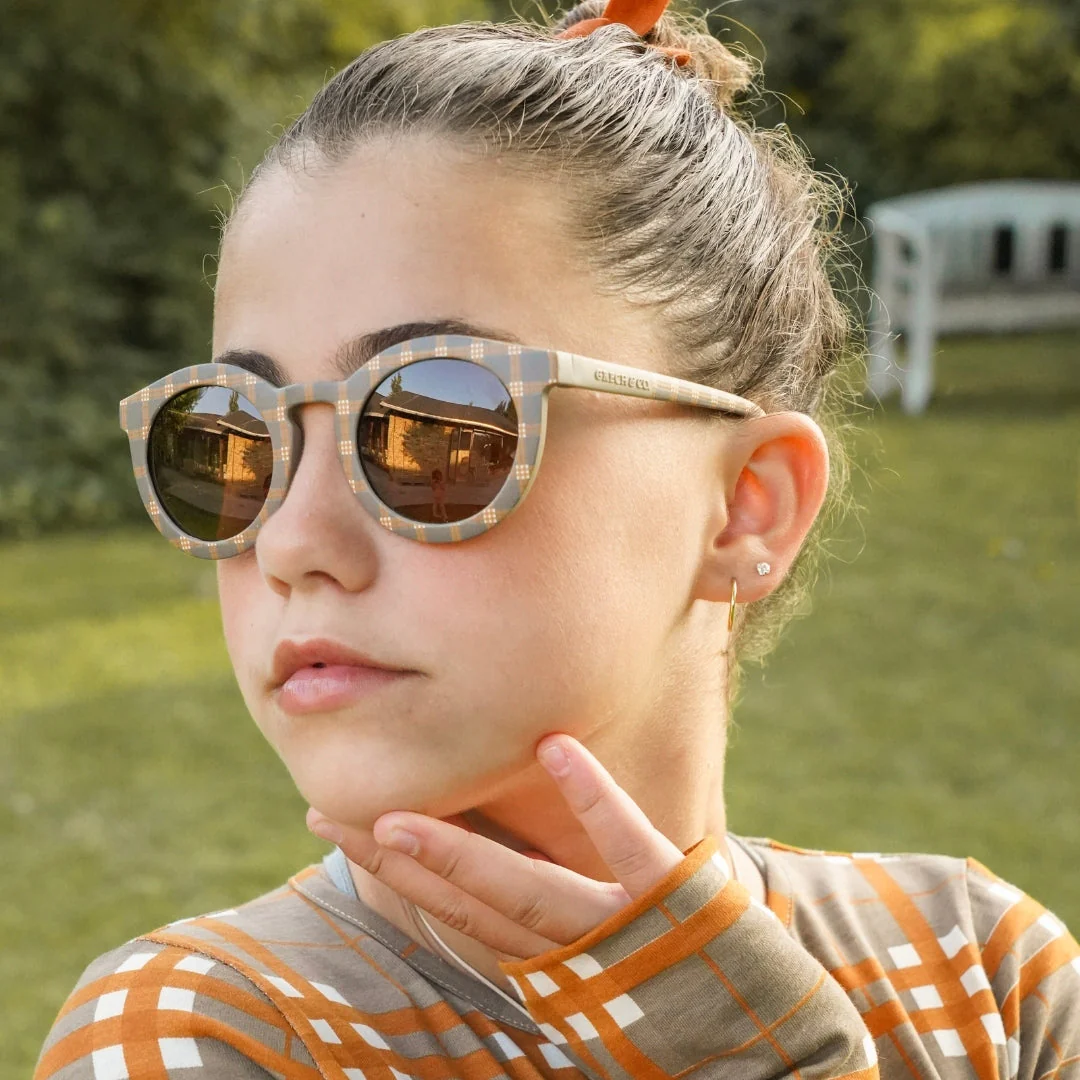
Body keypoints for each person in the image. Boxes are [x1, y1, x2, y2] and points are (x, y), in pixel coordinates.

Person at [35, 1, 1079, 1078]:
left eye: (437, 424)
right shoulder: (205, 1033)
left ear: (746, 504)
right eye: (235, 440)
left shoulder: (989, 976)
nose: (292, 540)